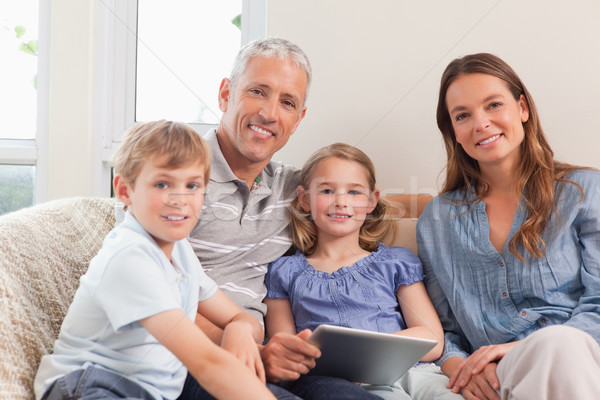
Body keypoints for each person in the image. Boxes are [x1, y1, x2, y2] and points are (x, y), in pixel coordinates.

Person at [178, 38, 377, 399]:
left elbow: (355, 194)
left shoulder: (292, 187)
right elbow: (149, 294)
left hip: (262, 353)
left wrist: (444, 204)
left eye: (287, 103)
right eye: (257, 91)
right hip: (187, 356)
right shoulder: (176, 176)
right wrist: (242, 345)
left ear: (298, 119)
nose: (270, 114)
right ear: (225, 94)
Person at [34, 120, 276, 400]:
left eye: (192, 185)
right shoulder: (130, 256)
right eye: (162, 184)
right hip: (91, 385)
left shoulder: (180, 250)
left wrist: (238, 329)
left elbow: (236, 315)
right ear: (125, 191)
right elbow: (208, 363)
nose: (179, 199)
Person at [416, 52, 600, 400]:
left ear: (523, 109)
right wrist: (463, 368)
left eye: (493, 105)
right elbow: (445, 330)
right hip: (502, 374)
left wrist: (525, 348)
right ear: (453, 132)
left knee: (557, 345)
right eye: (463, 115)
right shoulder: (437, 220)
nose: (481, 123)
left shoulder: (586, 191)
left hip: (583, 353)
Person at [264, 143, 444, 400]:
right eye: (327, 190)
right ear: (304, 199)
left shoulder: (395, 263)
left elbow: (432, 337)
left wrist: (369, 358)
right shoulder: (285, 272)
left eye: (354, 192)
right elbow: (287, 351)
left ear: (371, 201)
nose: (340, 202)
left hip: (417, 372)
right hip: (350, 387)